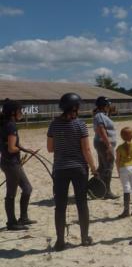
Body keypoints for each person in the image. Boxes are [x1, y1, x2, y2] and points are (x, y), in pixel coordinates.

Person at [47, 93, 98, 251]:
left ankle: (60, 241)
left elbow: (50, 148)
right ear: (75, 107)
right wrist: (94, 169)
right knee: (82, 204)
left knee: (60, 206)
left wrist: (63, 145)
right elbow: (86, 150)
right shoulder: (80, 125)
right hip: (79, 169)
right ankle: (84, 238)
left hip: (60, 169)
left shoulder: (53, 124)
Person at [0, 99, 37, 231]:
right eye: (20, 110)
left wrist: (26, 150)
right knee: (11, 193)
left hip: (9, 162)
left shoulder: (7, 124)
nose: (22, 113)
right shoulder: (11, 126)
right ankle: (11, 222)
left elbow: (13, 144)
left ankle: (23, 218)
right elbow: (11, 148)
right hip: (11, 163)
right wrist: (20, 150)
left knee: (27, 188)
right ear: (13, 112)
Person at [93, 96, 118, 199]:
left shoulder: (102, 115)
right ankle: (107, 191)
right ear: (105, 106)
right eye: (108, 105)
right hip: (104, 144)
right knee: (108, 167)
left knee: (102, 167)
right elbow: (102, 131)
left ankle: (96, 188)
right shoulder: (99, 116)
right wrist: (108, 146)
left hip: (103, 143)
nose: (109, 107)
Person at [115, 127, 132, 218]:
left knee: (126, 188)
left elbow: (117, 161)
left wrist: (118, 171)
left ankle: (126, 211)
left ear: (122, 137)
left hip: (123, 168)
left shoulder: (119, 148)